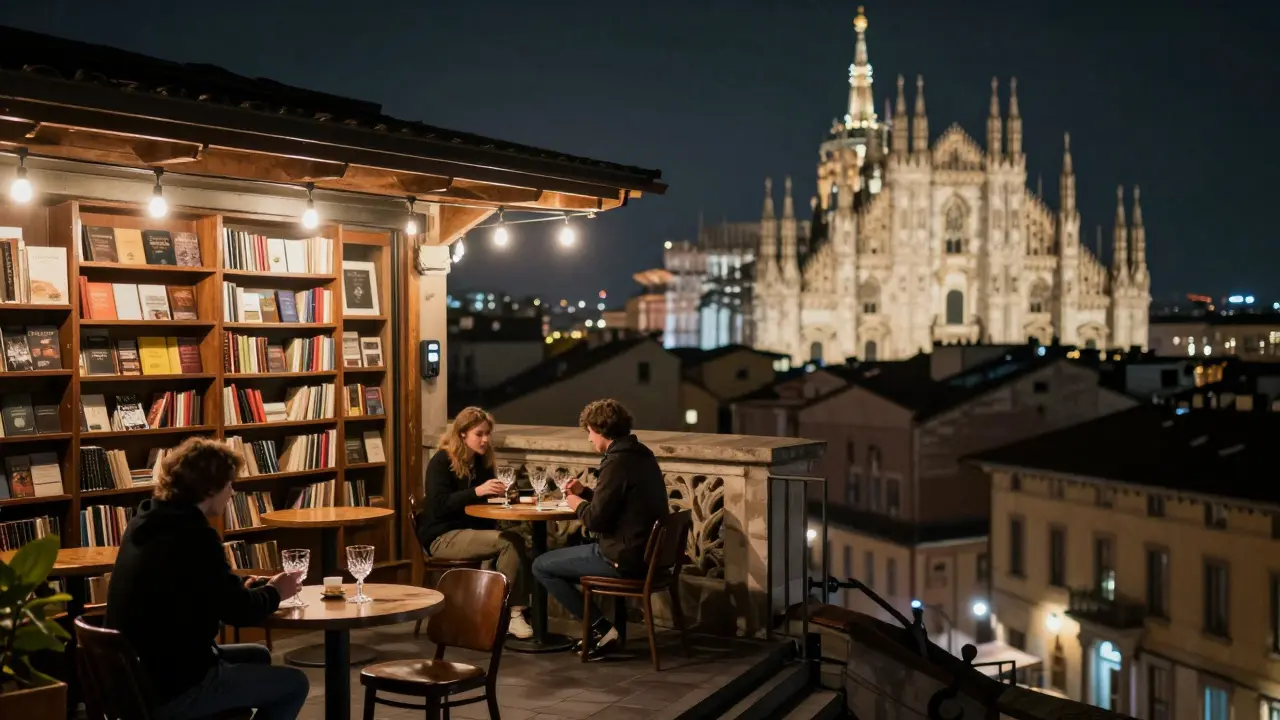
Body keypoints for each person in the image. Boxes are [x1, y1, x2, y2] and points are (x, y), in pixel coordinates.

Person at [105, 437, 308, 720]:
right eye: (229, 484)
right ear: (210, 488)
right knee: (294, 684)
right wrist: (276, 591)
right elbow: (240, 611)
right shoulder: (193, 535)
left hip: (137, 679)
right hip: (174, 687)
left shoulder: (148, 521)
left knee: (257, 656)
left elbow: (199, 588)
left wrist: (243, 588)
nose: (233, 493)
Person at [531, 398, 668, 658]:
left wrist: (573, 501)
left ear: (601, 430)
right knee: (568, 552)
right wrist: (586, 492)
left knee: (540, 565)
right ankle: (602, 630)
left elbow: (595, 521)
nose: (589, 439)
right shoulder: (639, 456)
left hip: (624, 558)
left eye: (590, 433)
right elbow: (616, 504)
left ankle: (602, 629)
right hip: (644, 555)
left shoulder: (617, 463)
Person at [416, 406, 534, 639]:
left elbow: (484, 499)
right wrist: (477, 491)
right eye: (479, 434)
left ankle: (499, 610)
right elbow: (439, 505)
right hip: (443, 536)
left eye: (487, 434)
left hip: (471, 530)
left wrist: (506, 495)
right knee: (510, 542)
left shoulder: (481, 462)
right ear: (462, 434)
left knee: (520, 541)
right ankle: (513, 613)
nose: (485, 440)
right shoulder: (441, 461)